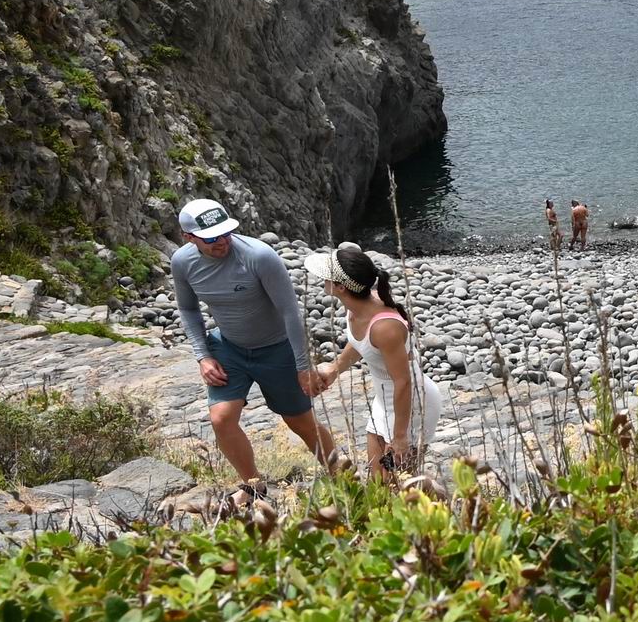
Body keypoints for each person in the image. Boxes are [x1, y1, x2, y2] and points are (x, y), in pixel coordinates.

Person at [169, 198, 338, 482]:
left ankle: (342, 477)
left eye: (226, 232)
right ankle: (253, 485)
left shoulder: (259, 256)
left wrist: (303, 366)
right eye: (211, 237)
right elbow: (187, 309)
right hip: (229, 349)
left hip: (277, 349)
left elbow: (290, 312)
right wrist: (203, 356)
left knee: (300, 422)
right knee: (221, 419)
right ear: (189, 238)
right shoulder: (183, 263)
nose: (222, 241)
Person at [305, 243, 447, 478]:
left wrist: (400, 436)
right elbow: (363, 344)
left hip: (409, 405)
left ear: (340, 287)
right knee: (378, 484)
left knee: (397, 487)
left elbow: (403, 381)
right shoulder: (356, 307)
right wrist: (335, 368)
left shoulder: (385, 328)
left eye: (327, 277)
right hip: (384, 401)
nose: (322, 280)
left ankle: (444, 504)